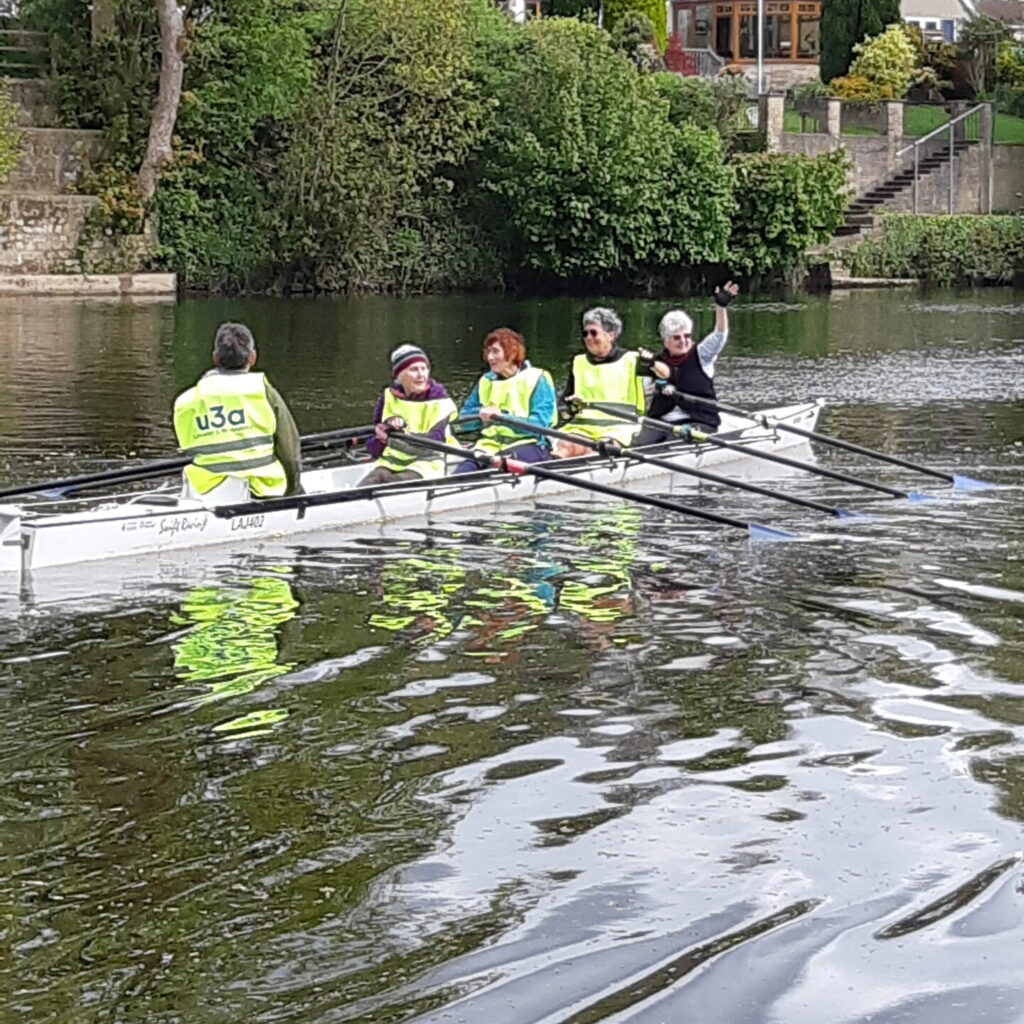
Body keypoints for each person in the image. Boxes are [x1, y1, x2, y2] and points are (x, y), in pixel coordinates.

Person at [173, 322, 301, 501]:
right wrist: (295, 490)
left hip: (205, 491)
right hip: (262, 489)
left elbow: (188, 447)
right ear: (252, 357)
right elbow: (289, 449)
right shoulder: (263, 392)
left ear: (215, 358)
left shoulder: (186, 401)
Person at [634, 281, 739, 446]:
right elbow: (640, 393)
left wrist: (721, 307)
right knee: (639, 444)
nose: (683, 341)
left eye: (687, 336)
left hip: (699, 421)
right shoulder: (655, 362)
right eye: (677, 338)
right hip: (661, 422)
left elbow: (720, 334)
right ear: (665, 341)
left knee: (671, 443)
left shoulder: (702, 354)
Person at [454, 328, 557, 474]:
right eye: (488, 352)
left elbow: (540, 424)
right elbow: (463, 423)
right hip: (488, 447)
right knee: (461, 473)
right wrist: (480, 415)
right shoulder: (485, 381)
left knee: (492, 472)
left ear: (512, 353)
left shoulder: (537, 379)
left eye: (495, 352)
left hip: (529, 445)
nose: (490, 357)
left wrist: (501, 416)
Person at [553, 307, 646, 459]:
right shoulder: (579, 362)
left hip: (621, 428)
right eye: (585, 333)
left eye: (594, 333)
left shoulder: (633, 360)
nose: (588, 338)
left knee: (596, 452)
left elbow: (665, 376)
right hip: (582, 427)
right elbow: (565, 402)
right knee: (565, 447)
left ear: (610, 335)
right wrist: (568, 408)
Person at [360, 344, 458, 486]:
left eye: (424, 369)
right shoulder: (387, 397)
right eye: (414, 369)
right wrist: (381, 439)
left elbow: (436, 441)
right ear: (400, 375)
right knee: (370, 481)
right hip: (391, 462)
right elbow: (373, 448)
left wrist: (403, 436)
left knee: (394, 483)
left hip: (427, 462)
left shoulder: (440, 401)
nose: (421, 375)